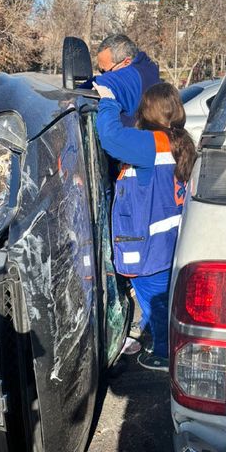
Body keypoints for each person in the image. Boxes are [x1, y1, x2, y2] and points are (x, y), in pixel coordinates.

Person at [93, 81, 196, 371]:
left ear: (148, 111)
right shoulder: (180, 141)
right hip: (168, 240)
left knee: (157, 302)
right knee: (162, 299)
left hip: (149, 245)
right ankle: (161, 341)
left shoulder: (152, 144)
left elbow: (110, 137)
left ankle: (164, 354)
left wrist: (109, 102)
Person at [92, 34, 161, 127]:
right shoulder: (147, 67)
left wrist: (74, 92)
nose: (103, 74)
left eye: (106, 71)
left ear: (127, 62)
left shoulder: (131, 76)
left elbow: (102, 81)